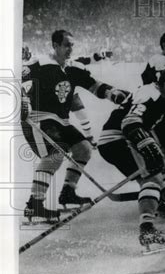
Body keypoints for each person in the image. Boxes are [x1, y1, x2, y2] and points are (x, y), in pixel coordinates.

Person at [21, 30, 128, 223]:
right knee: (55, 154)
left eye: (72, 45)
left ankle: (68, 192)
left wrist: (113, 93)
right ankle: (34, 204)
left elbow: (94, 85)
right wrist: (21, 102)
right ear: (55, 45)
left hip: (60, 120)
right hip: (38, 118)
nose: (70, 49)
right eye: (66, 45)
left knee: (84, 149)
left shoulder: (73, 68)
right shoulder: (39, 64)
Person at [98, 69, 165, 253]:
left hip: (127, 139)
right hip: (117, 139)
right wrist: (146, 144)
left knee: (164, 168)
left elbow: (163, 127)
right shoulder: (150, 93)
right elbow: (129, 121)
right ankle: (146, 230)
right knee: (151, 178)